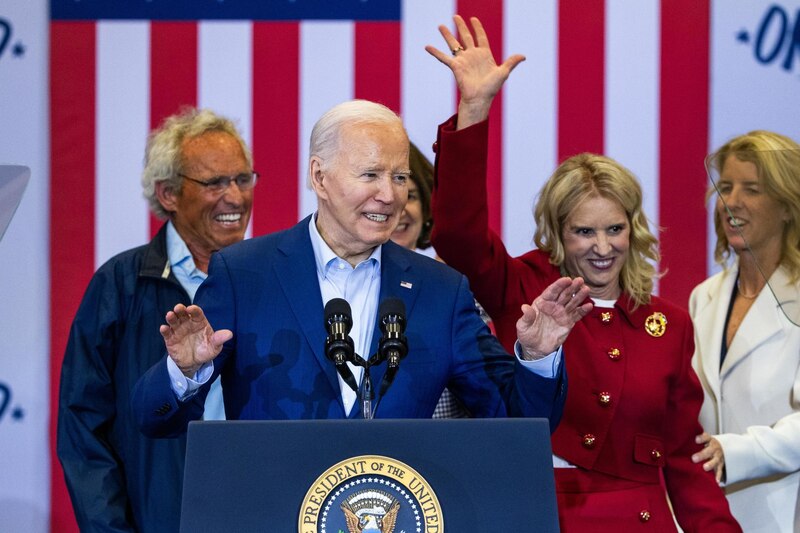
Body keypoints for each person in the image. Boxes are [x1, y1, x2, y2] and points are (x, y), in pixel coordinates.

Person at [426, 15, 740, 531]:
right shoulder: (521, 288)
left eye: (614, 228)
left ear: (633, 228)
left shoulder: (669, 324)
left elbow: (684, 460)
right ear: (556, 230)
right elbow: (457, 234)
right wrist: (474, 111)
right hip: (542, 513)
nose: (602, 248)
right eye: (583, 232)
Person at [131, 99, 592, 439]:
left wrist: (536, 358)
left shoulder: (441, 291)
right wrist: (183, 372)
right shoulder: (243, 274)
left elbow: (519, 423)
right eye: (370, 175)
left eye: (399, 177)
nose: (389, 196)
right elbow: (154, 420)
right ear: (319, 177)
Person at [57, 107, 255, 532]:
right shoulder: (118, 286)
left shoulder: (268, 277)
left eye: (243, 178)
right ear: (168, 194)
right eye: (215, 182)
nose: (236, 197)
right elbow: (83, 429)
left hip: (256, 510)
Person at [689, 131, 800, 532]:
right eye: (726, 187)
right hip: (704, 516)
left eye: (751, 189)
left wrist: (730, 452)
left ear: (788, 207)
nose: (731, 202)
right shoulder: (703, 297)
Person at [390, 142, 471, 418]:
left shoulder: (455, 287)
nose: (398, 207)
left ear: (427, 207)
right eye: (384, 195)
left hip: (443, 454)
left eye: (410, 195)